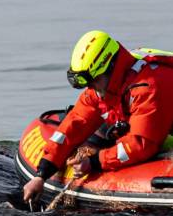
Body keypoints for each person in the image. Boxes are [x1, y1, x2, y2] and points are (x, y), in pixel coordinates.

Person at [22, 29, 173, 204]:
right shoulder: (101, 89)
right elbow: (72, 126)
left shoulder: (146, 88)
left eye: (94, 80)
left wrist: (94, 162)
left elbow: (140, 145)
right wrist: (42, 174)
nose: (91, 87)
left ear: (110, 68)